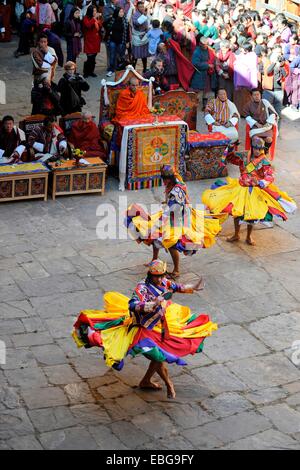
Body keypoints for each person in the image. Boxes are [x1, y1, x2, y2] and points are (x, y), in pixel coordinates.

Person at [73, 259, 217, 398]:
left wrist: (193, 287)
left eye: (162, 276)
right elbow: (132, 304)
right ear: (150, 275)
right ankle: (168, 384)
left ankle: (146, 381)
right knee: (158, 357)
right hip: (143, 329)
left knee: (161, 355)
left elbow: (177, 287)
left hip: (160, 323)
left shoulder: (164, 281)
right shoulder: (142, 287)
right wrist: (150, 305)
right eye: (157, 277)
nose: (160, 280)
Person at [126, 165, 222, 278]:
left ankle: (176, 270)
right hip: (172, 214)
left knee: (171, 243)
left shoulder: (176, 192)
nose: (163, 182)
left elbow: (173, 210)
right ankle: (154, 259)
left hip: (178, 219)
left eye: (163, 179)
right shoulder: (175, 181)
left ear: (168, 179)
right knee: (155, 236)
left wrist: (160, 222)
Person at [202, 136, 297, 246]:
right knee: (236, 212)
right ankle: (236, 234)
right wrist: (232, 147)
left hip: (254, 191)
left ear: (262, 149)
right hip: (240, 188)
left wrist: (264, 182)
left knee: (251, 215)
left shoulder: (264, 161)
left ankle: (248, 236)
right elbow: (229, 158)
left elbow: (270, 175)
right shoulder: (243, 156)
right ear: (252, 147)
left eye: (259, 148)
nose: (257, 151)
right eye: (255, 148)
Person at [262, 45, 289, 129]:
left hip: (279, 90)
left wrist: (281, 65)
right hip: (268, 90)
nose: (278, 54)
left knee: (278, 112)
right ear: (273, 51)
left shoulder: (284, 62)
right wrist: (274, 63)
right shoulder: (267, 60)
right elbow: (267, 72)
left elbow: (285, 74)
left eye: (280, 52)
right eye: (277, 52)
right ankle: (266, 129)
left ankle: (277, 130)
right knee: (266, 111)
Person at [243, 88, 277, 154]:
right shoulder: (248, 105)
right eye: (254, 95)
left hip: (265, 127)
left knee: (269, 139)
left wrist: (268, 122)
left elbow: (273, 113)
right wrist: (256, 123)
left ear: (260, 95)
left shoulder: (265, 102)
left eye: (258, 94)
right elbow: (247, 116)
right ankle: (254, 152)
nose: (257, 96)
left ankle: (266, 150)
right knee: (257, 140)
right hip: (256, 127)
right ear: (251, 96)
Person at [190, 35, 216, 110]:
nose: (206, 46)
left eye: (207, 44)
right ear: (200, 44)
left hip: (208, 74)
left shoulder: (209, 50)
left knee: (206, 91)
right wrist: (207, 65)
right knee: (198, 91)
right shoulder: (197, 52)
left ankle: (205, 106)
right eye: (204, 44)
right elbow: (195, 63)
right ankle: (194, 107)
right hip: (199, 74)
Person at [106, 7, 129, 77]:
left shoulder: (125, 20)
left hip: (122, 41)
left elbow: (127, 32)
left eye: (122, 12)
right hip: (112, 40)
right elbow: (105, 24)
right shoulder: (112, 19)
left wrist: (127, 42)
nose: (122, 13)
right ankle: (111, 70)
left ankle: (120, 70)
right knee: (112, 56)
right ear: (117, 12)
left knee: (121, 56)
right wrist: (109, 32)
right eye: (120, 12)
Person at [82, 5, 103, 78]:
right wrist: (94, 19)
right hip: (89, 40)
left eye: (96, 11)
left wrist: (98, 20)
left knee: (93, 57)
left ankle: (91, 71)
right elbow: (88, 25)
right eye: (94, 11)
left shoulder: (95, 18)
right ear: (90, 11)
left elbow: (100, 26)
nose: (95, 12)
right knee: (89, 57)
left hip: (96, 40)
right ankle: (86, 72)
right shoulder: (86, 18)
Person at [131, 1, 150, 73]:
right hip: (137, 37)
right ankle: (133, 70)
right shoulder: (135, 15)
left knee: (144, 55)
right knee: (135, 56)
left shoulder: (144, 14)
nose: (142, 8)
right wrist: (144, 16)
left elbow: (146, 24)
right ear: (137, 7)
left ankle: (145, 69)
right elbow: (137, 23)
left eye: (143, 6)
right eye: (140, 7)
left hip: (144, 36)